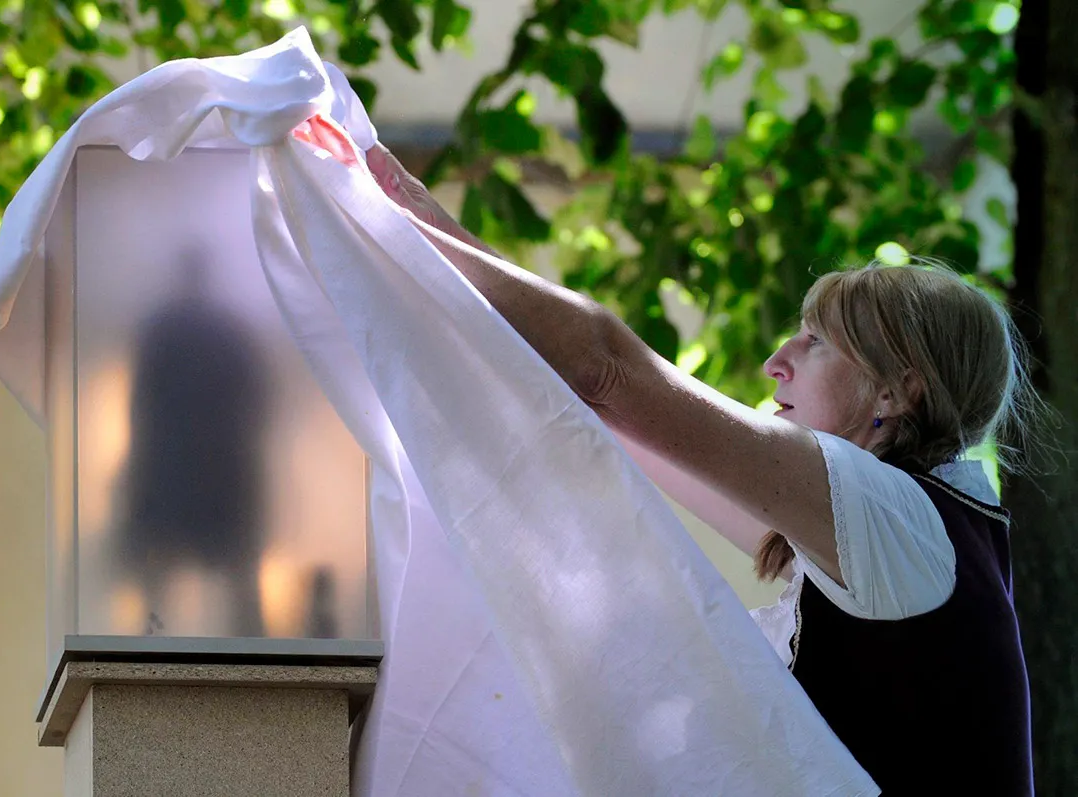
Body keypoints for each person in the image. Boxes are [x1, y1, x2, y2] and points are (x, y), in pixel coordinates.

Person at [361, 140, 1040, 796]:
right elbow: (603, 412)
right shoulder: (906, 529)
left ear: (896, 392)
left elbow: (607, 371)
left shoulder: (891, 517)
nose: (777, 360)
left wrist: (416, 221)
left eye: (816, 343)